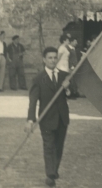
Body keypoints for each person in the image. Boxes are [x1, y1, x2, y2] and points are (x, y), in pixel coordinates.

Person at [25, 47, 70, 187]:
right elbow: (33, 101)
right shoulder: (38, 78)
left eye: (55, 57)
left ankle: (54, 170)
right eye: (49, 58)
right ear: (44, 59)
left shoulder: (64, 75)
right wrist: (30, 119)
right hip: (46, 118)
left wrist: (68, 88)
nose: (53, 60)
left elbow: (71, 94)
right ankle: (50, 174)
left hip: (62, 118)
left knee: (58, 146)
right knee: (49, 146)